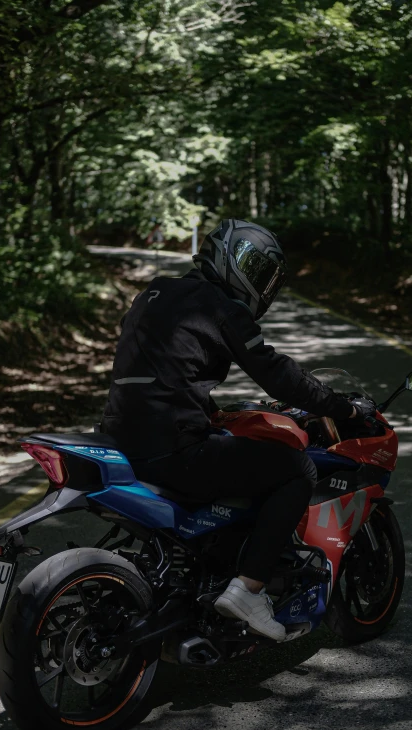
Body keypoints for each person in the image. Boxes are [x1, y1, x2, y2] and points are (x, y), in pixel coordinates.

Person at [101, 219, 376, 641]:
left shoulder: (155, 291)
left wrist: (209, 409)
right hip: (173, 449)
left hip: (116, 441)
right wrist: (342, 408)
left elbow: (159, 371)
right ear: (227, 256)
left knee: (230, 452)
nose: (260, 283)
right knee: (295, 469)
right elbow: (277, 374)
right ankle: (249, 588)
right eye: (255, 268)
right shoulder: (219, 305)